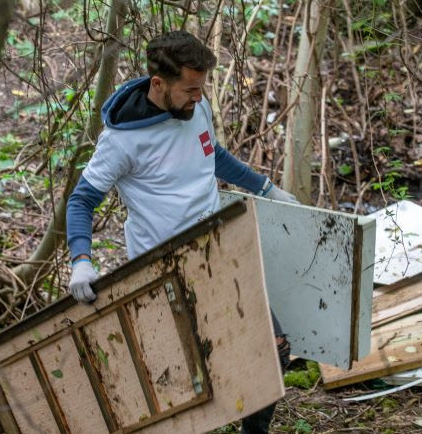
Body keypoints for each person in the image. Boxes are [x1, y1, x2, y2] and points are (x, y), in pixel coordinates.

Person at [66, 30, 297, 434]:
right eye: (190, 89)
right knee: (177, 379)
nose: (198, 97)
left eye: (201, 88)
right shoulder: (121, 142)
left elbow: (212, 155)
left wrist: (264, 187)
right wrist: (81, 261)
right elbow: (81, 201)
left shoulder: (197, 106)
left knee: (273, 351)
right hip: (161, 270)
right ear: (158, 84)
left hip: (217, 250)